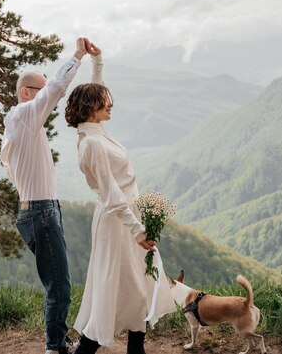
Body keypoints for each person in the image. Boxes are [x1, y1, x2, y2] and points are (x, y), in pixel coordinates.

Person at [65, 41, 176, 354]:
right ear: (91, 109)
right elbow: (111, 194)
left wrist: (97, 59)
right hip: (118, 221)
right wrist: (137, 229)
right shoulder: (93, 144)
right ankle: (88, 347)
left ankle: (135, 347)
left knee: (137, 281)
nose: (110, 105)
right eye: (104, 102)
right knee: (115, 283)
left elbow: (95, 88)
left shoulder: (95, 130)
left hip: (126, 215)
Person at [0, 37, 88, 354]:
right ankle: (55, 347)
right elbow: (55, 88)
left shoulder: (17, 128)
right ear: (26, 93)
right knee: (59, 286)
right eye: (39, 92)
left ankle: (58, 339)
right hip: (41, 211)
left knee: (56, 283)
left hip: (34, 210)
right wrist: (77, 55)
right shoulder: (24, 116)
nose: (47, 100)